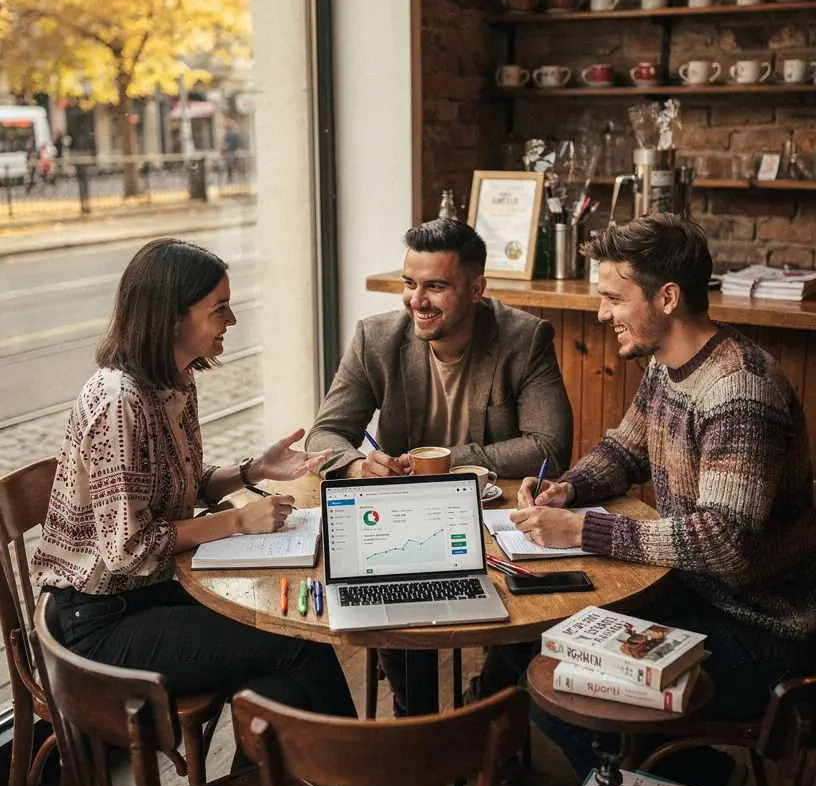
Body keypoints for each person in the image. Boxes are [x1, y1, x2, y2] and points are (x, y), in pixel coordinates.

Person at [510, 213, 816, 779]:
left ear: (668, 297)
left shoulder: (739, 389)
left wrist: (583, 530)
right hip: (693, 598)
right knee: (533, 656)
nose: (602, 314)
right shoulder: (665, 365)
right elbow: (625, 450)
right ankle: (671, 785)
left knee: (563, 701)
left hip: (763, 632)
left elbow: (724, 544)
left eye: (613, 299)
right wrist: (568, 489)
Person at [32, 237, 356, 755]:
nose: (231, 320)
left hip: (145, 592)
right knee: (295, 644)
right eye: (219, 308)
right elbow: (129, 548)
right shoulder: (121, 402)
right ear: (171, 318)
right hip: (100, 620)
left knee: (283, 654)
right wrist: (238, 522)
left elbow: (178, 488)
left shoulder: (174, 383)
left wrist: (254, 470)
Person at [306, 216, 573, 712]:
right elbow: (325, 433)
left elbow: (551, 447)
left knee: (534, 607)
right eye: (410, 284)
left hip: (493, 514)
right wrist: (359, 466)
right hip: (402, 518)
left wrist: (450, 461)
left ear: (476, 289)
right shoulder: (375, 339)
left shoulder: (524, 338)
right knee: (385, 598)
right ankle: (417, 721)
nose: (416, 301)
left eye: (435, 286)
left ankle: (488, 711)